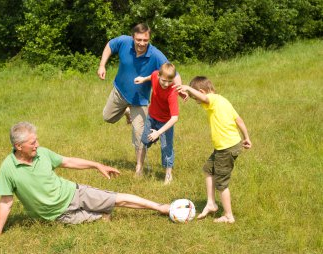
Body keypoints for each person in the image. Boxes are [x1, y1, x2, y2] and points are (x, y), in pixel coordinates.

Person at [0, 122, 170, 240]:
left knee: (116, 199)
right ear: (19, 146)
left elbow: (67, 161)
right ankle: (101, 215)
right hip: (56, 215)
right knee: (101, 217)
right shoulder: (8, 168)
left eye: (36, 140)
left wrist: (97, 165)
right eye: (32, 143)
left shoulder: (42, 154)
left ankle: (160, 207)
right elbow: (6, 202)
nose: (38, 145)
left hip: (74, 191)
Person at [97, 23, 183, 177]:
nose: (142, 43)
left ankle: (139, 168)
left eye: (145, 40)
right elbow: (110, 45)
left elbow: (172, 72)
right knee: (107, 117)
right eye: (139, 39)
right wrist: (102, 65)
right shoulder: (123, 42)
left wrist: (180, 88)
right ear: (133, 37)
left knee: (139, 136)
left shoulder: (155, 54)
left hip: (140, 101)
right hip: (120, 91)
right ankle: (126, 111)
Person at [177, 77, 252, 223]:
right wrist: (247, 137)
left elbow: (204, 97)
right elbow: (239, 120)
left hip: (226, 148)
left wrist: (187, 88)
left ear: (201, 92)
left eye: (196, 99)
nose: (198, 102)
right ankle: (211, 203)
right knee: (208, 169)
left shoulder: (211, 99)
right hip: (226, 146)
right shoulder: (223, 100)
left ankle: (228, 215)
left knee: (221, 183)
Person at [134, 63, 181, 184]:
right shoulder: (155, 75)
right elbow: (152, 76)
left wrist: (159, 133)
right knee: (144, 141)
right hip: (152, 117)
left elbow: (175, 118)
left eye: (170, 81)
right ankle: (139, 167)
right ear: (159, 75)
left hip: (165, 122)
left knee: (166, 148)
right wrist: (143, 79)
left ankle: (168, 175)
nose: (166, 84)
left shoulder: (172, 92)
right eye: (164, 80)